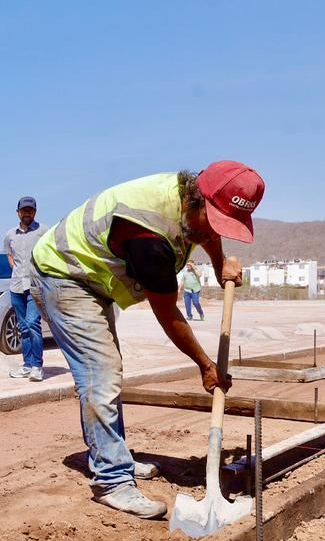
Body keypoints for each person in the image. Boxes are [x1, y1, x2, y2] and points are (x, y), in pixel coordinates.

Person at [29, 161, 265, 519]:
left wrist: (219, 266)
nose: (215, 231)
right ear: (195, 200)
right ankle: (111, 480)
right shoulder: (149, 238)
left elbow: (209, 231)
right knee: (101, 372)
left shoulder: (191, 202)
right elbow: (168, 314)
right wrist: (205, 365)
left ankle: (115, 456)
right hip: (63, 274)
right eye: (214, 220)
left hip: (92, 277)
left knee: (106, 372)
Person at [4, 195, 45, 381]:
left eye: (31, 209)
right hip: (16, 287)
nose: (27, 212)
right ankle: (27, 365)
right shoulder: (10, 235)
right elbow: (10, 256)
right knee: (23, 327)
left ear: (35, 212)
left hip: (35, 285)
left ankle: (37, 366)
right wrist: (16, 270)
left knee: (33, 324)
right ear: (18, 212)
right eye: (24, 209)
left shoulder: (44, 231)